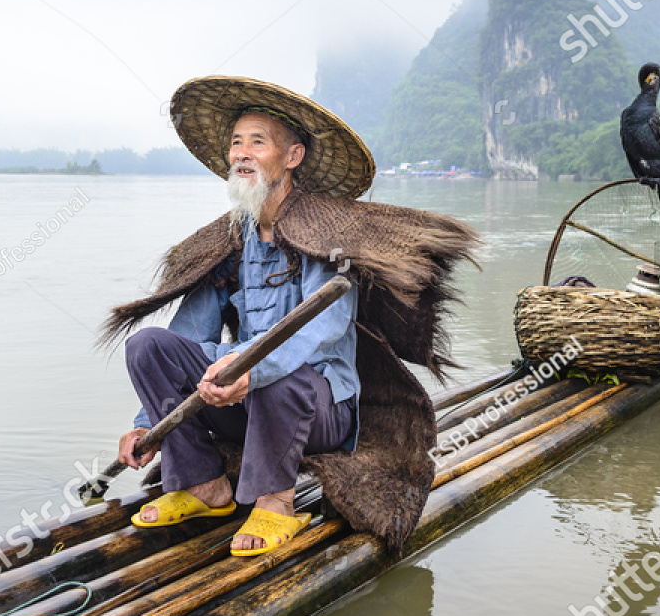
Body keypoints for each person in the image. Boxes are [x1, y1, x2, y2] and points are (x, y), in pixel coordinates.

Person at [105, 76, 479, 555]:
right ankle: (204, 486)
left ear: (293, 156)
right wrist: (146, 422)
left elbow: (322, 333)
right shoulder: (227, 240)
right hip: (238, 402)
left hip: (317, 409)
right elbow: (188, 335)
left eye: (257, 142)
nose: (241, 152)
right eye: (235, 143)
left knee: (286, 377)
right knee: (148, 347)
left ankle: (276, 502)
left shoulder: (326, 236)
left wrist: (252, 370)